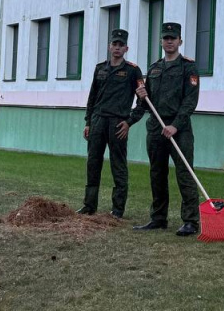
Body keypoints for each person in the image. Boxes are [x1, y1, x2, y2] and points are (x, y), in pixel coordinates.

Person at [133, 22, 201, 236]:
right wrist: (141, 96)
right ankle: (158, 218)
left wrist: (175, 125)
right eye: (166, 38)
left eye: (173, 38)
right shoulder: (154, 68)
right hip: (156, 127)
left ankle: (190, 221)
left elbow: (190, 101)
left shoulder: (188, 67)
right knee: (157, 173)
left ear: (180, 41)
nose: (169, 41)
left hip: (179, 129)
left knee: (185, 173)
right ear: (161, 41)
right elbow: (146, 103)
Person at [79, 29, 143, 218]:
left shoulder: (132, 71)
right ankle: (89, 205)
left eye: (121, 45)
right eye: (114, 44)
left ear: (126, 48)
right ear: (109, 46)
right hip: (98, 121)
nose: (117, 48)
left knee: (118, 166)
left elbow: (143, 101)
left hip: (117, 124)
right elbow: (92, 97)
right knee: (93, 163)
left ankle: (118, 209)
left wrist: (129, 122)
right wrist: (88, 122)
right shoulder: (100, 68)